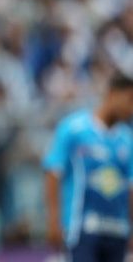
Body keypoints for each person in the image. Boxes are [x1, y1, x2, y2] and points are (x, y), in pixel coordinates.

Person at [43, 72, 133, 262]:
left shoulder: (128, 139)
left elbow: (131, 187)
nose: (131, 108)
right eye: (130, 100)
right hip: (82, 229)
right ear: (112, 94)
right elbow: (53, 172)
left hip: (117, 230)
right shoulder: (74, 129)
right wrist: (53, 220)